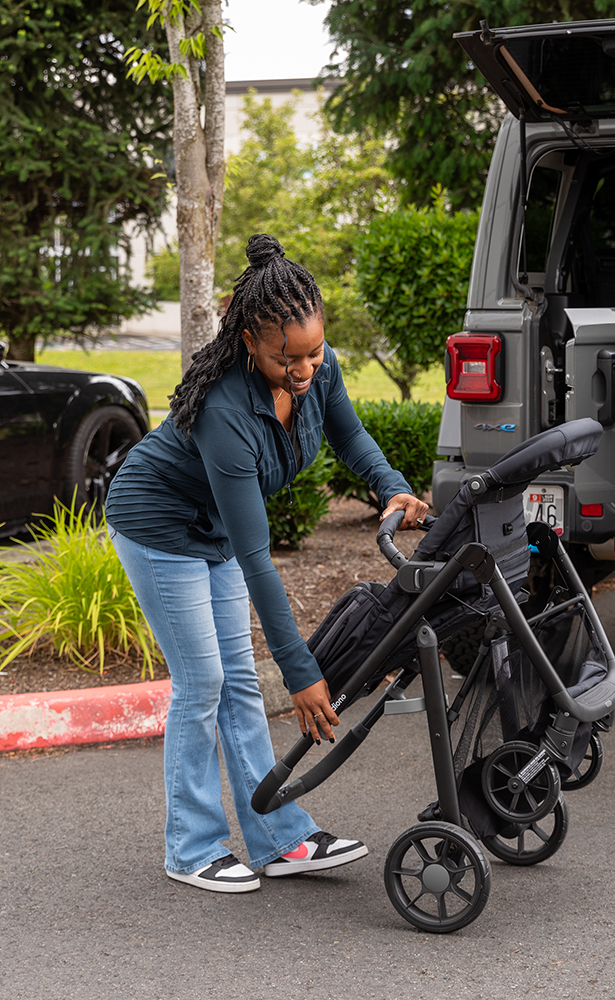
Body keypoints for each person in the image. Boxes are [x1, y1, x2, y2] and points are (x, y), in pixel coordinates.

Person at [105, 234, 428, 893]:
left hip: (215, 530)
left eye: (314, 351)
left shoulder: (317, 364)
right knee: (202, 684)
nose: (307, 368)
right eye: (290, 357)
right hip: (159, 526)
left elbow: (350, 433)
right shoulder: (227, 411)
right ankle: (191, 849)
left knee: (239, 684)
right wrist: (303, 672)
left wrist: (390, 483)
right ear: (251, 339)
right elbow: (258, 560)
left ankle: (278, 837)